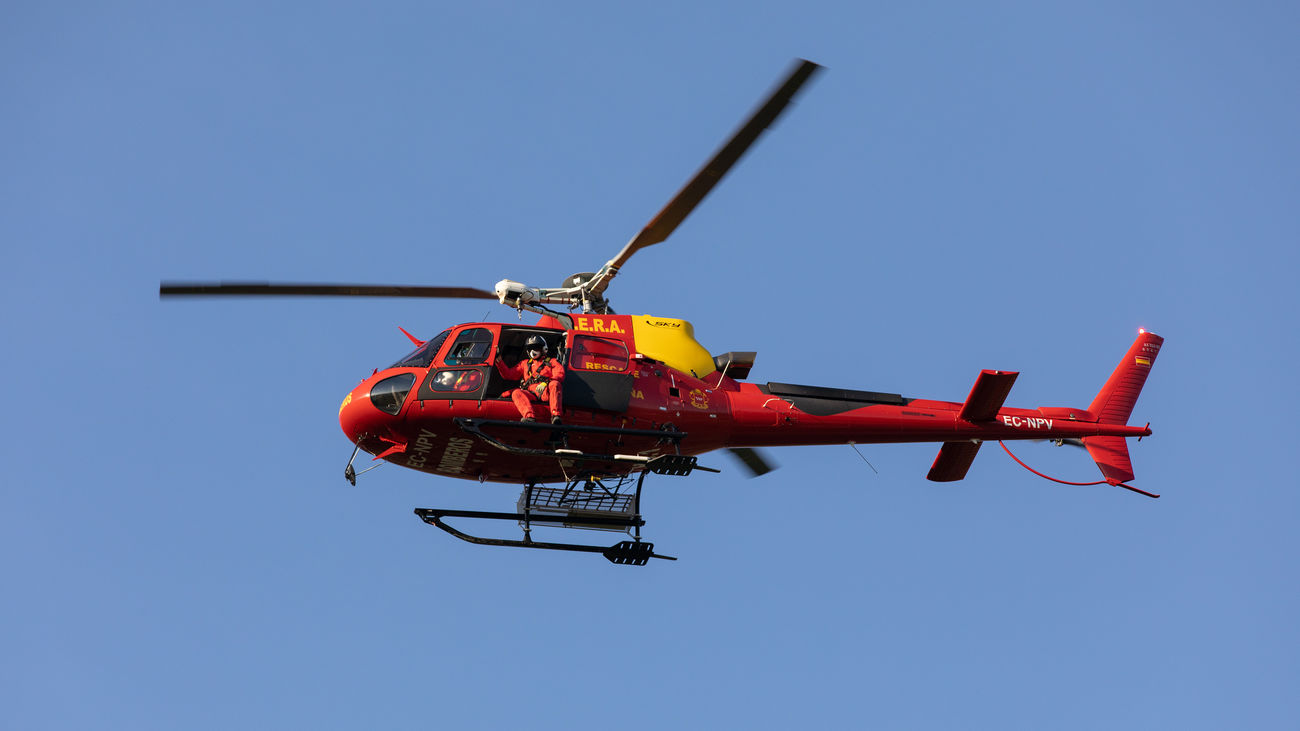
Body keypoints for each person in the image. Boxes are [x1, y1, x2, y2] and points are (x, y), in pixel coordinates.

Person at [496, 335, 564, 423]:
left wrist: (546, 383)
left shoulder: (552, 362)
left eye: (535, 347)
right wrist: (499, 360)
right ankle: (529, 417)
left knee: (555, 384)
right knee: (516, 392)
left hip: (546, 393)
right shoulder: (525, 364)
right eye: (530, 348)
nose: (532, 351)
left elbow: (560, 374)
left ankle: (556, 415)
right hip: (530, 394)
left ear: (543, 349)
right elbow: (508, 374)